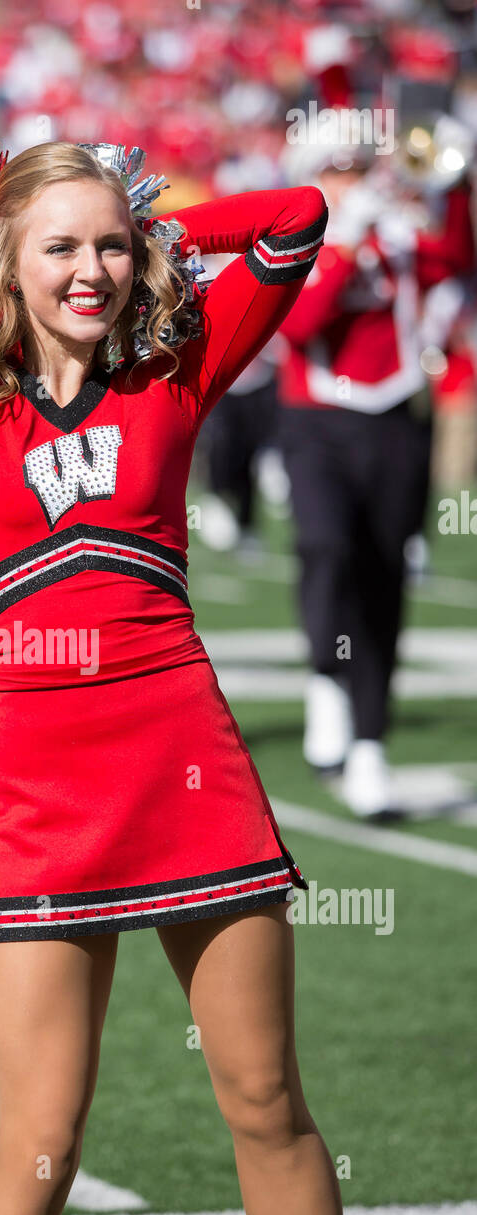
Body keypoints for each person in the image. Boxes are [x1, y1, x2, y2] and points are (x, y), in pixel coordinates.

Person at [0, 133, 353, 1215]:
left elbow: (292, 218)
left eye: (113, 245)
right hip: (39, 791)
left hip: (188, 766)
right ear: (5, 259)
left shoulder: (175, 365)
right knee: (42, 1147)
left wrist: (146, 218)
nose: (92, 269)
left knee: (265, 1102)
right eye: (60, 246)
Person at [276, 138, 474, 817]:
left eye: (360, 167)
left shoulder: (401, 242)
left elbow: (457, 259)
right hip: (315, 422)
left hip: (394, 421)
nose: (352, 179)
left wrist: (453, 184)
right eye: (337, 168)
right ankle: (326, 676)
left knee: (383, 577)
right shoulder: (299, 246)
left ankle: (368, 743)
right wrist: (343, 243)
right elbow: (298, 324)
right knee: (325, 549)